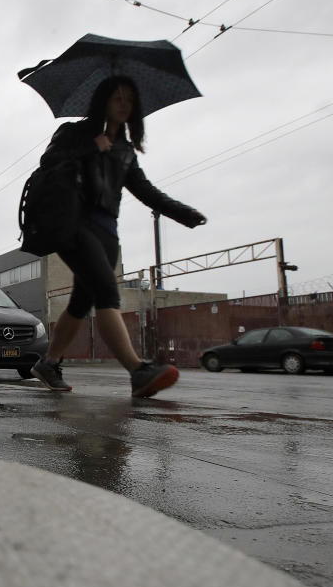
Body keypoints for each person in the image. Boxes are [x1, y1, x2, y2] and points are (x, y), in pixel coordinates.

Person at [30, 75, 207, 396]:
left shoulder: (125, 150)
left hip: (107, 233)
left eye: (129, 100)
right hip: (73, 225)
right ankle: (137, 370)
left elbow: (146, 191)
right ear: (103, 102)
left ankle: (49, 362)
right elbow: (48, 163)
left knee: (81, 302)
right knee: (107, 294)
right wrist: (88, 148)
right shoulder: (75, 133)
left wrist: (183, 213)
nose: (124, 105)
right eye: (118, 98)